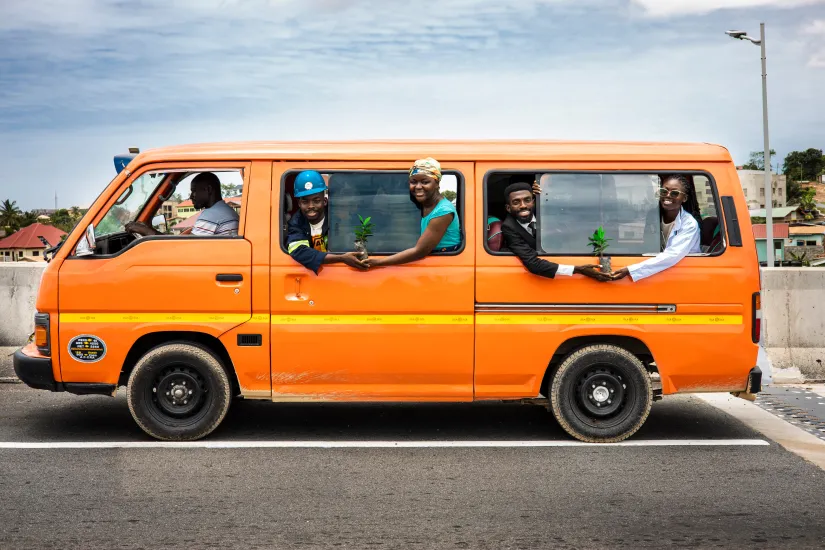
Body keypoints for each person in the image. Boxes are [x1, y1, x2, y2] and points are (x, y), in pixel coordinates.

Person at [500, 181, 609, 281]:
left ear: (534, 202)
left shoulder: (546, 209)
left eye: (527, 200)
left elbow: (567, 203)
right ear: (508, 208)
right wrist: (578, 269)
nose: (523, 206)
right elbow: (533, 264)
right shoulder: (509, 227)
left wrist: (546, 189)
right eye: (516, 202)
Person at [365, 158, 461, 268]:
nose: (418, 187)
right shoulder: (422, 203)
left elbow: (420, 251)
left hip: (445, 264)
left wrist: (377, 262)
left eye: (425, 182)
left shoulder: (443, 211)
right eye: (413, 182)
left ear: (437, 183)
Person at [610, 174, 701, 282]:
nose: (667, 195)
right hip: (664, 270)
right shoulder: (654, 215)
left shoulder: (689, 224)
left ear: (684, 198)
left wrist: (631, 269)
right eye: (664, 191)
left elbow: (672, 256)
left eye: (674, 193)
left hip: (687, 274)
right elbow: (647, 245)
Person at [286, 170, 366, 274]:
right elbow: (299, 251)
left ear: (324, 201)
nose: (311, 206)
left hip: (344, 272)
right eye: (305, 201)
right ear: (299, 203)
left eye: (316, 200)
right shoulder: (295, 222)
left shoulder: (337, 215)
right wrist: (341, 258)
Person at [125, 172, 240, 237]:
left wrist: (147, 232)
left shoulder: (212, 215)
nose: (191, 196)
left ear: (208, 190)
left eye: (194, 191)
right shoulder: (225, 211)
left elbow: (184, 247)